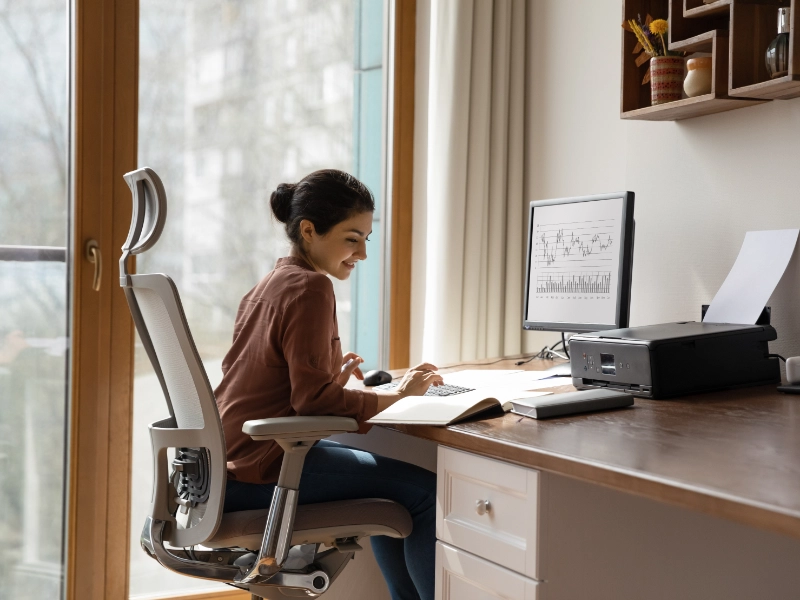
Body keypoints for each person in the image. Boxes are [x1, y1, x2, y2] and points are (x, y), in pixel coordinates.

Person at [214, 169, 442, 600]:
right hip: (265, 468)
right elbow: (311, 399)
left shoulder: (269, 283)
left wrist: (331, 383)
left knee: (399, 500)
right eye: (351, 238)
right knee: (426, 494)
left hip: (229, 464)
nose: (362, 254)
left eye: (366, 240)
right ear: (309, 230)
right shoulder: (312, 286)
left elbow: (285, 389)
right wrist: (397, 394)